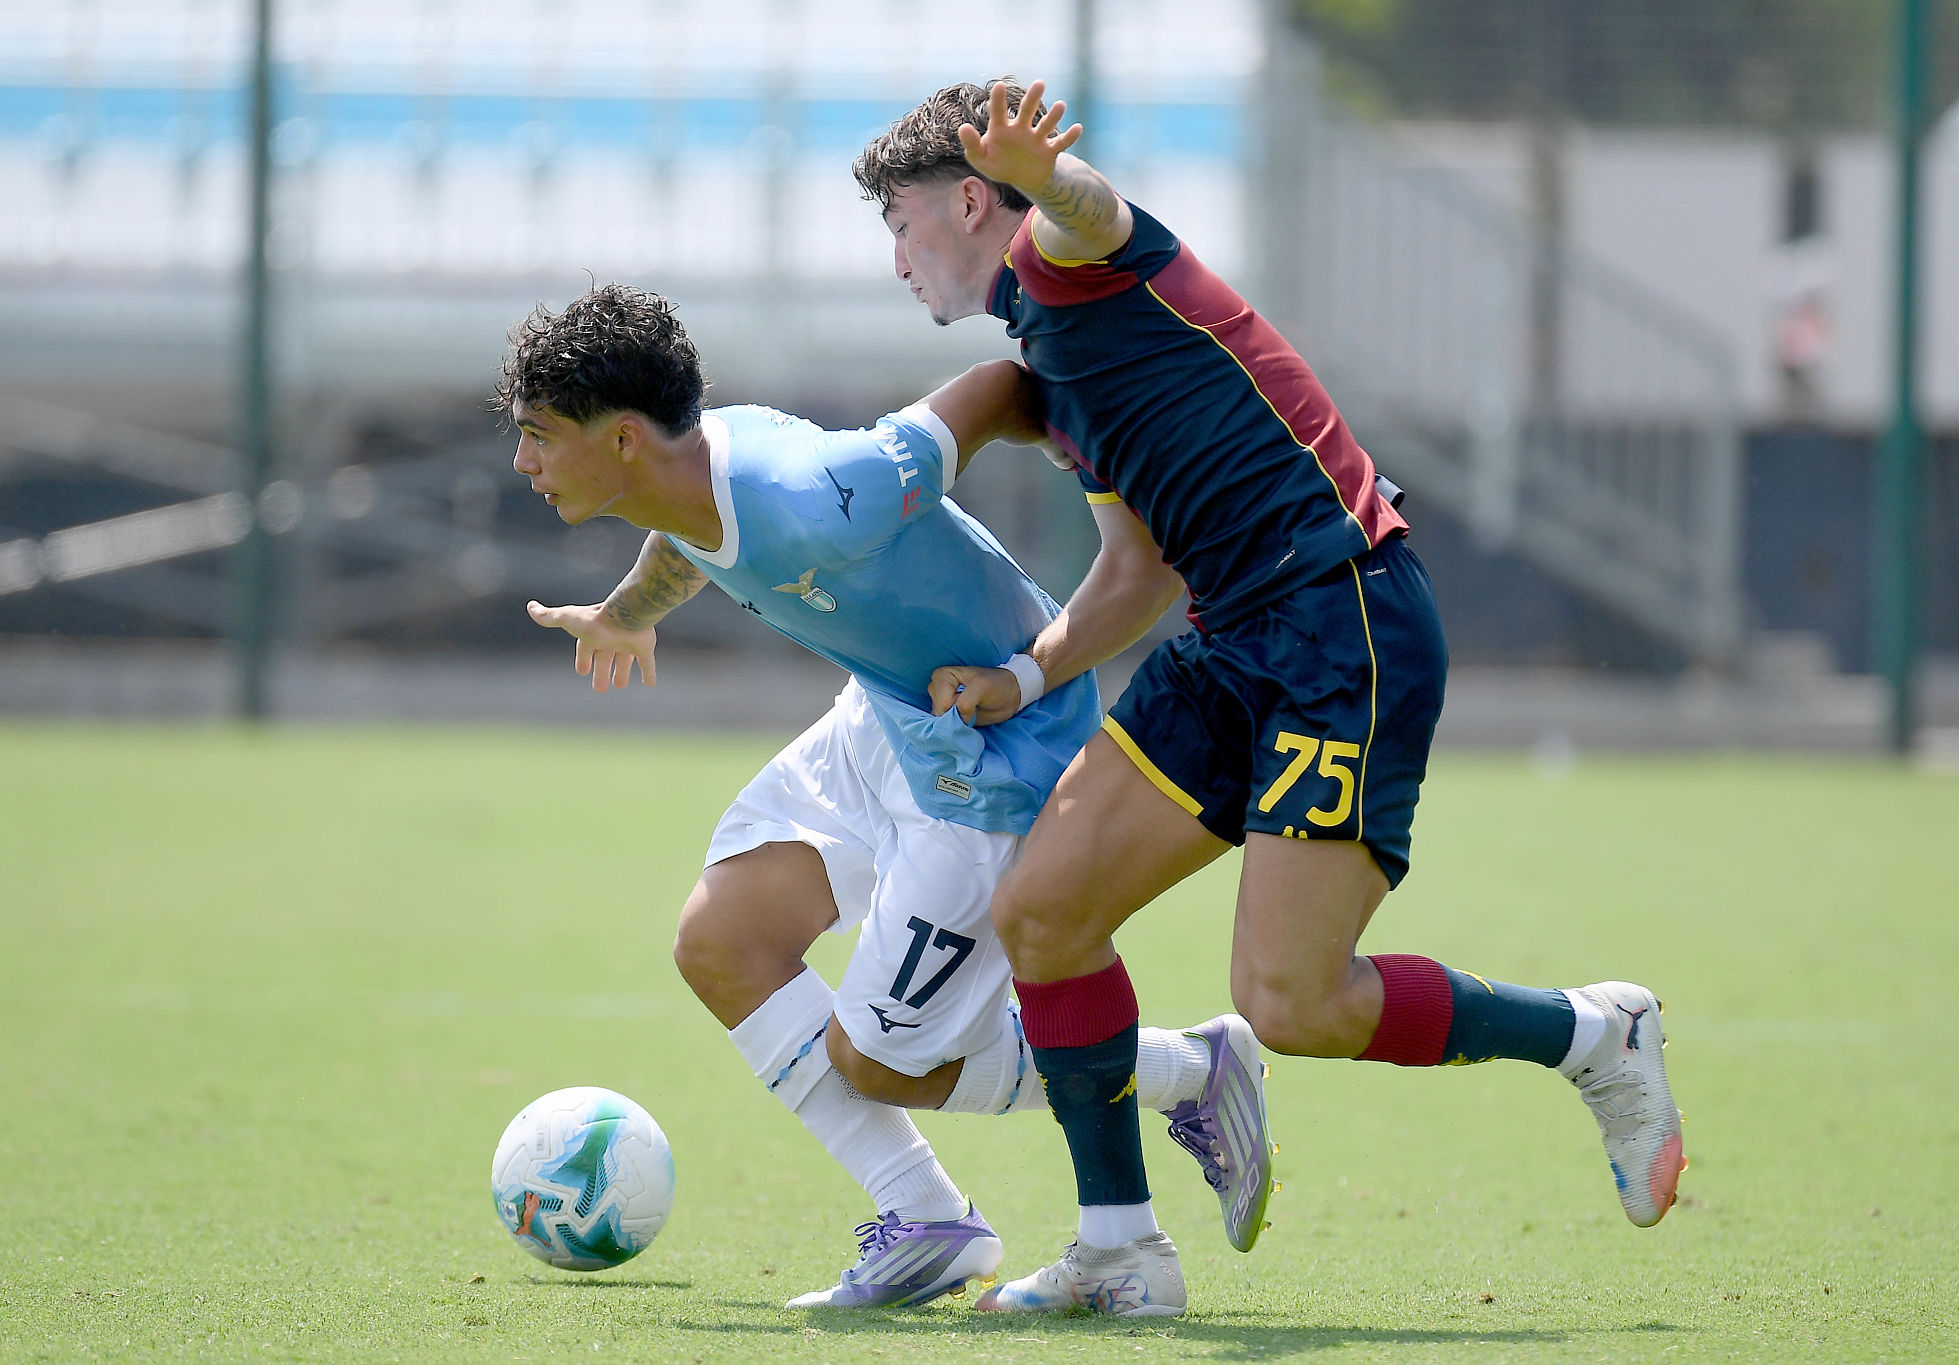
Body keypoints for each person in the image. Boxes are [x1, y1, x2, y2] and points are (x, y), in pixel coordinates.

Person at [852, 80, 1685, 1317]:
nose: (896, 259)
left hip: (1339, 618)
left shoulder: (1062, 258)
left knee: (1293, 1003)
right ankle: (1119, 1249)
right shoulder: (1050, 360)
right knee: (1043, 912)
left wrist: (1049, 177)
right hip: (1232, 638)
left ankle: (1591, 1036)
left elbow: (1088, 210)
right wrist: (1024, 677)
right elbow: (1136, 572)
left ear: (971, 202)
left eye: (901, 224)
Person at [498, 283, 1271, 1311]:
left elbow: (997, 387)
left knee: (877, 1065)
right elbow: (686, 535)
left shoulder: (817, 493)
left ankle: (1190, 1069)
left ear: (626, 439)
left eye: (540, 435)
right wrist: (626, 613)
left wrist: (1099, 484)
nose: (524, 460)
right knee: (722, 939)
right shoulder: (687, 474)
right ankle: (925, 1222)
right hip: (888, 722)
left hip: (988, 758)